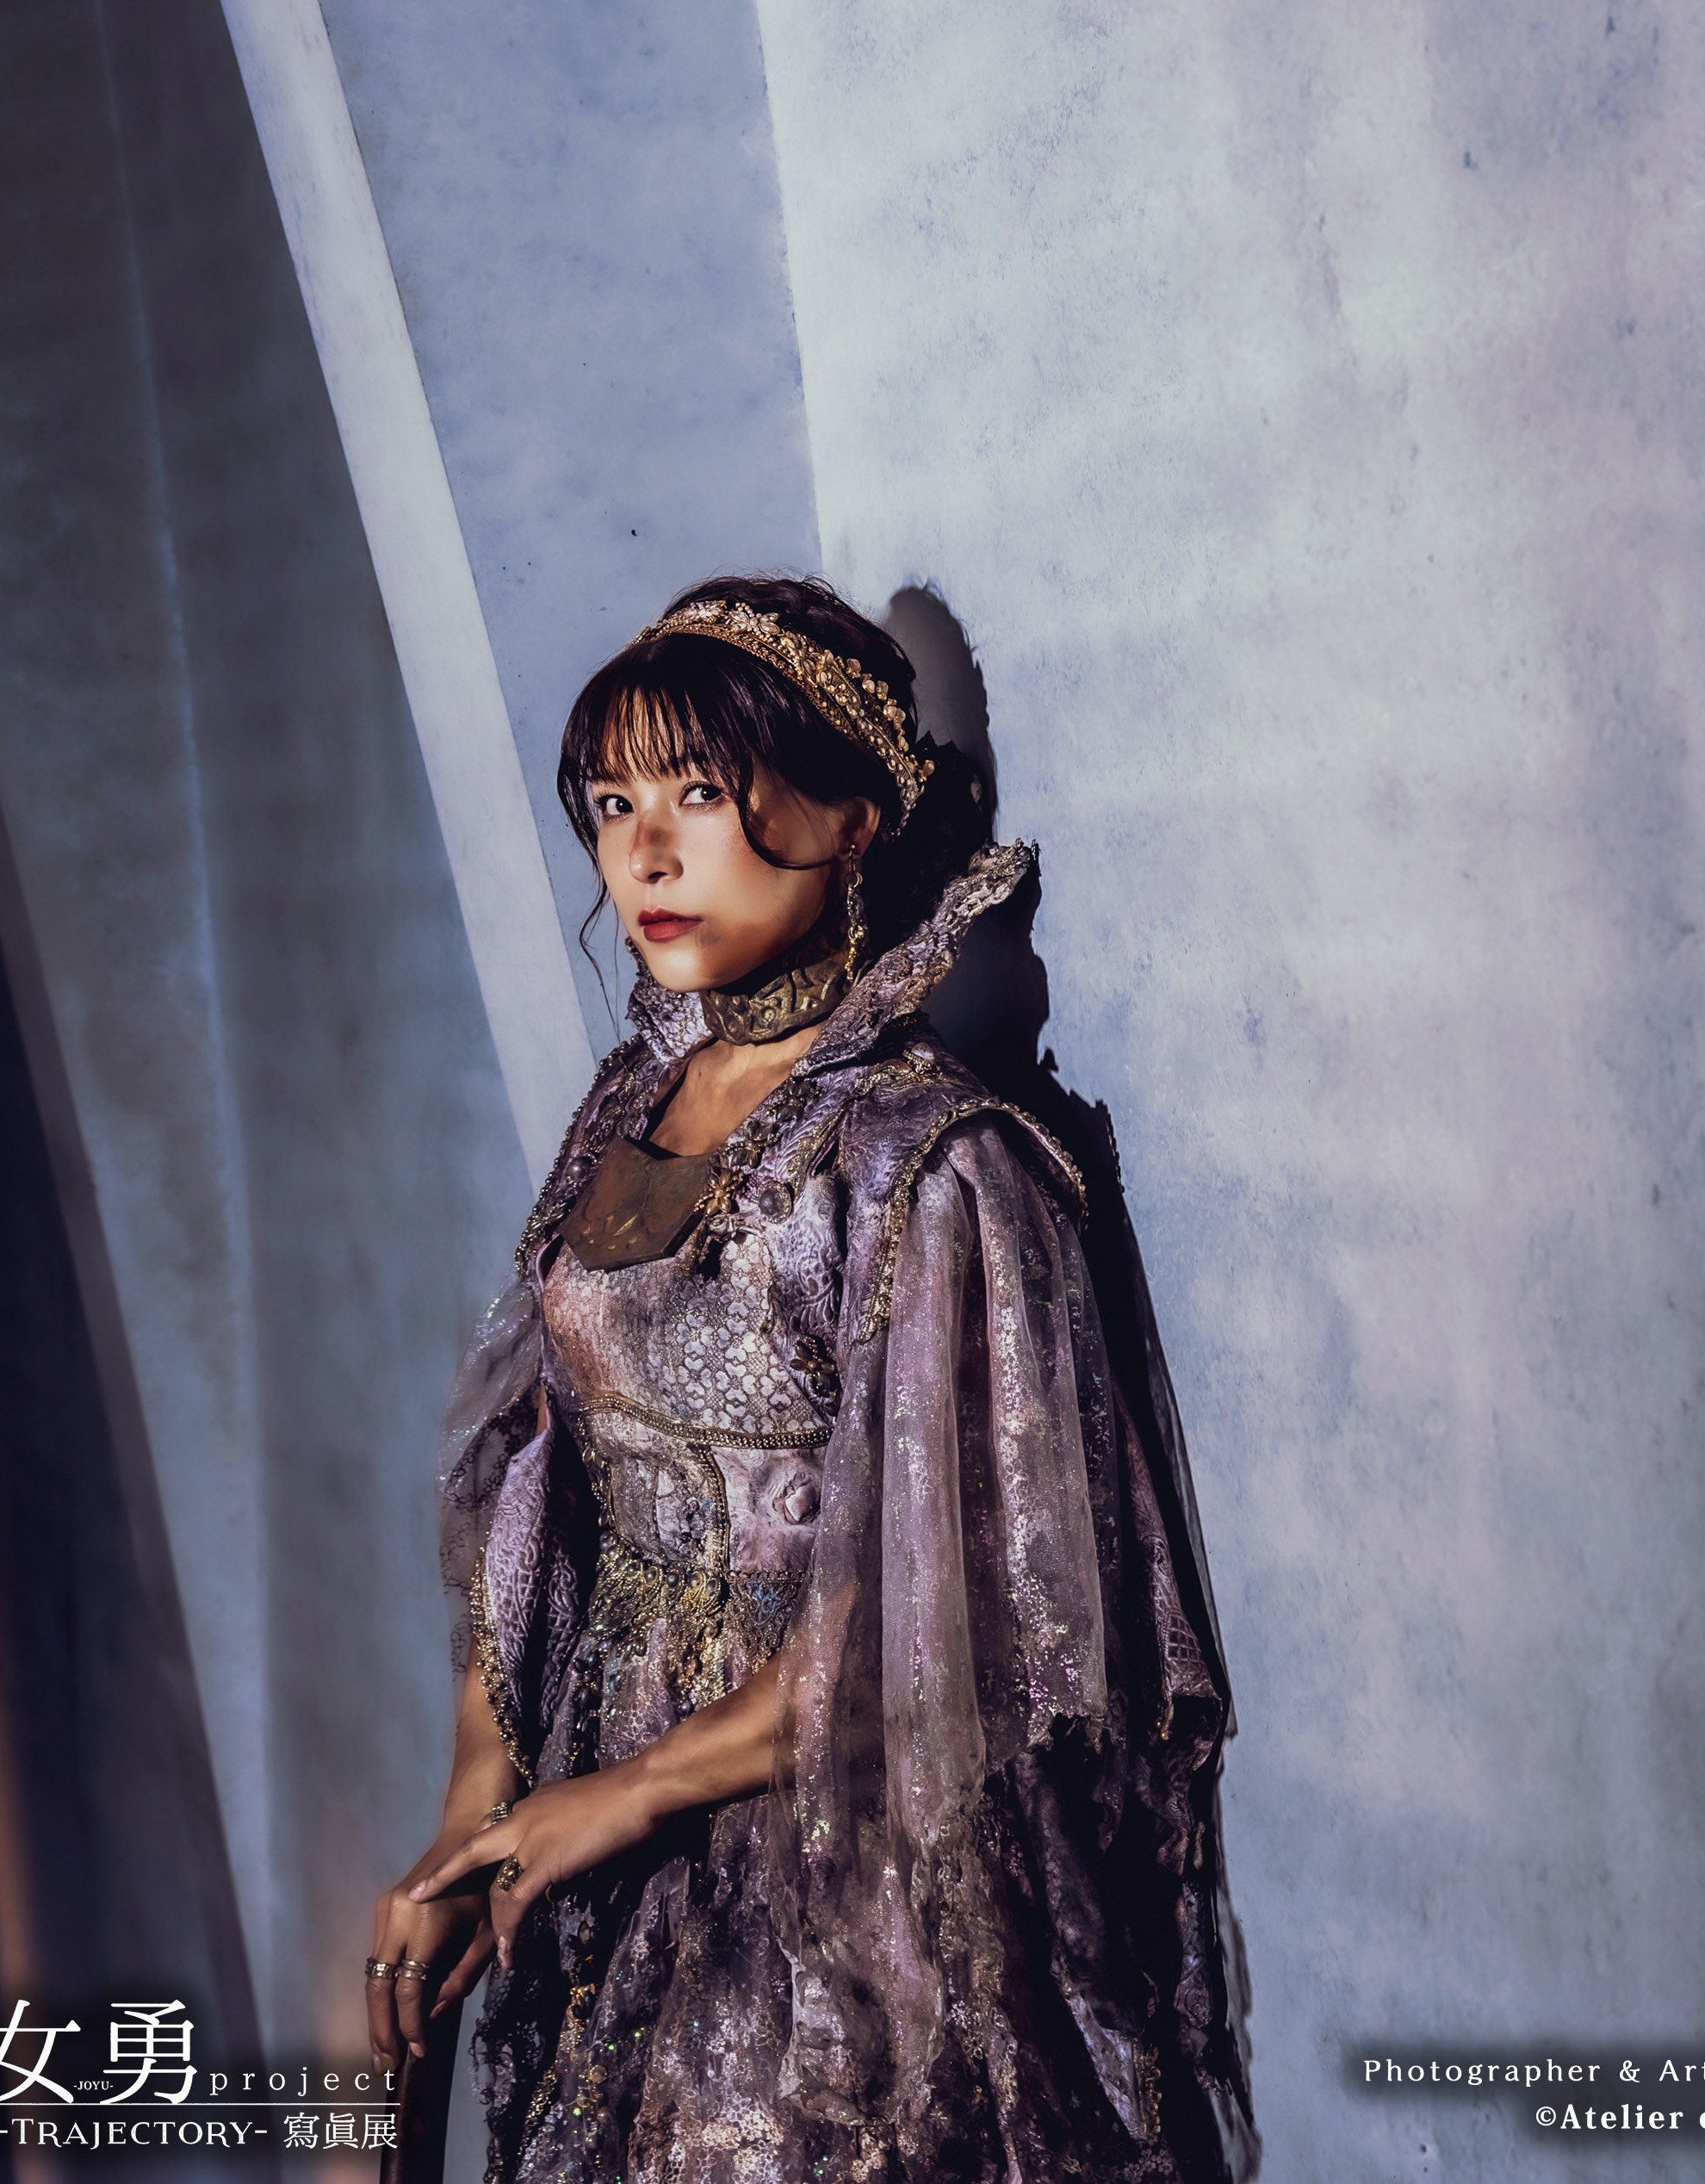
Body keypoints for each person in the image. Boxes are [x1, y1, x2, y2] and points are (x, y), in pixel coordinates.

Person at [366, 577, 1254, 2183]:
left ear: (853, 818)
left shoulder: (930, 1161)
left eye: (701, 794)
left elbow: (952, 1603)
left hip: (837, 1843)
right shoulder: (627, 1105)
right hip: (596, 1814)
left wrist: (637, 1793)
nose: (644, 854)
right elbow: (542, 1491)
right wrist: (472, 1812)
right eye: (612, 804)